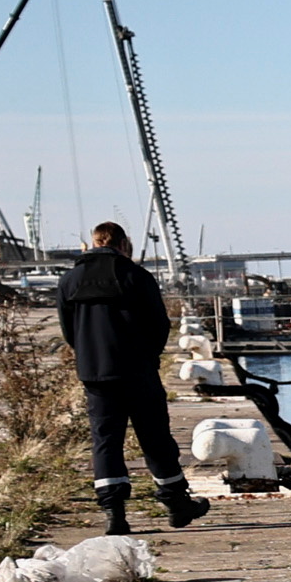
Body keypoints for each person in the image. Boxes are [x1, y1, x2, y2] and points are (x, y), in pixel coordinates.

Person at [52, 220, 202, 533]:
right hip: (138, 372)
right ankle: (176, 502)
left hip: (95, 376)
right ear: (123, 244)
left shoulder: (69, 281)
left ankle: (114, 514)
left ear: (93, 243)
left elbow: (69, 330)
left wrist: (89, 355)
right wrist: (149, 357)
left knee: (105, 441)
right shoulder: (136, 276)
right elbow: (159, 324)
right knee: (155, 438)